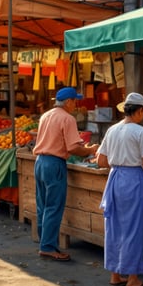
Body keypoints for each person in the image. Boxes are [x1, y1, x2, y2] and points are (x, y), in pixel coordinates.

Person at [96, 92, 143, 286]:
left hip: (114, 179)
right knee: (134, 228)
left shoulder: (112, 129)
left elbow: (101, 161)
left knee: (114, 228)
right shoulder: (140, 132)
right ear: (140, 111)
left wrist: (118, 162)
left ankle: (115, 276)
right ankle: (132, 280)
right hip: (133, 179)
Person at [32, 87, 98, 261]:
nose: (75, 105)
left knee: (43, 205)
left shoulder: (45, 115)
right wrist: (90, 150)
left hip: (40, 162)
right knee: (54, 206)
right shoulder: (67, 118)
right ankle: (48, 247)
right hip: (54, 164)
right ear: (68, 102)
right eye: (74, 101)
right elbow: (73, 148)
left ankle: (44, 240)